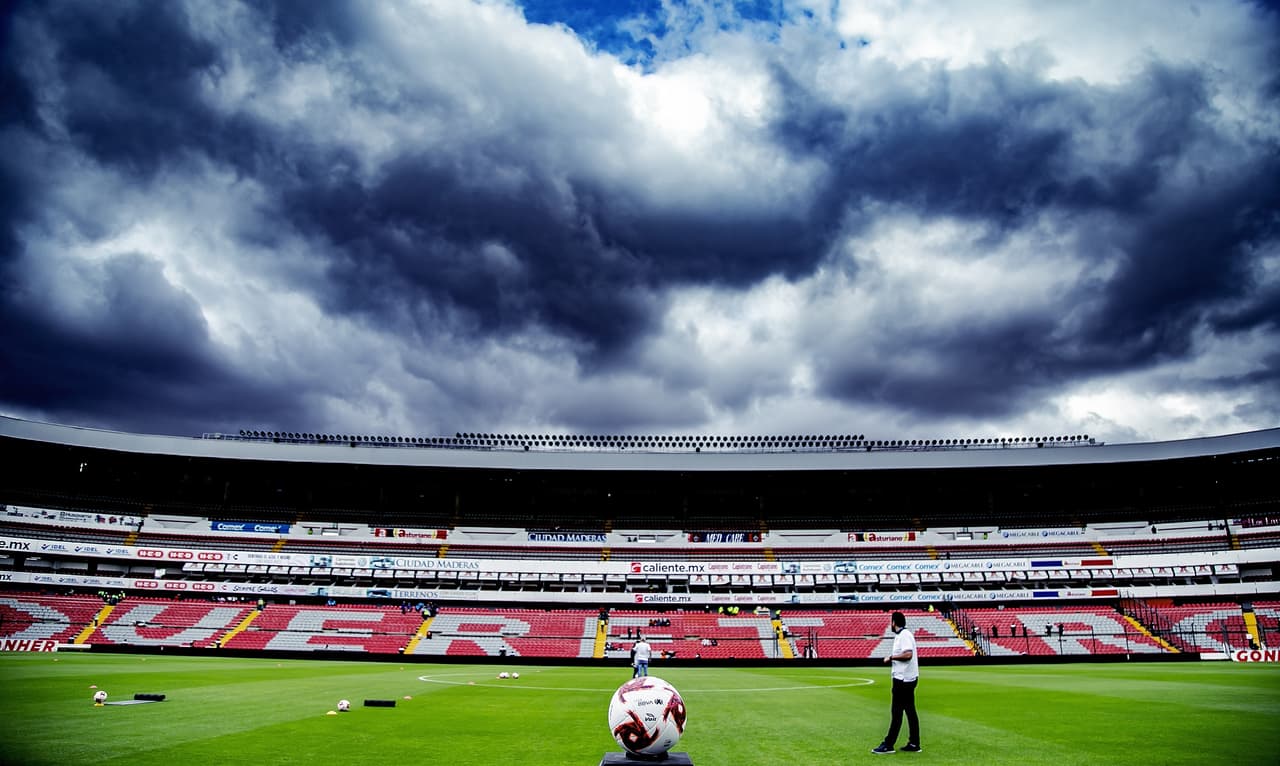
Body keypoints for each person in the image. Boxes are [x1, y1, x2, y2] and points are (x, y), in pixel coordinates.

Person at [872, 612, 921, 754]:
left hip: (903, 680)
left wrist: (891, 657)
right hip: (908, 678)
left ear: (894, 622)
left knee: (897, 712)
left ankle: (888, 744)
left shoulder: (904, 635)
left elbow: (908, 654)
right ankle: (914, 743)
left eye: (891, 622)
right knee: (910, 711)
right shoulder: (903, 635)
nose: (890, 625)